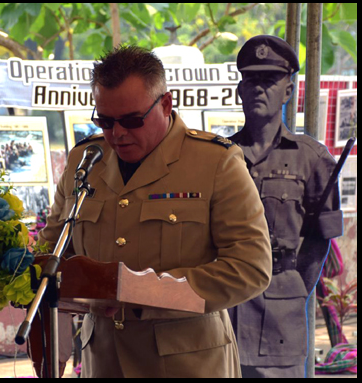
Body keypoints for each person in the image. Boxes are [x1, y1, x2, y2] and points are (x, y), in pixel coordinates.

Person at [38, 45, 272, 378]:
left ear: (165, 104)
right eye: (105, 120)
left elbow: (250, 269)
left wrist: (140, 291)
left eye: (132, 120)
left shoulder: (216, 162)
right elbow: (51, 252)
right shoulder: (85, 160)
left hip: (187, 362)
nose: (117, 133)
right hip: (103, 361)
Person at [228, 35, 344, 378]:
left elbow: (320, 238)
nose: (259, 89)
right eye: (251, 81)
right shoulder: (219, 155)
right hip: (226, 311)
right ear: (240, 90)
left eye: (269, 80)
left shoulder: (312, 158)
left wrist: (292, 288)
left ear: (289, 91)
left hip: (281, 320)